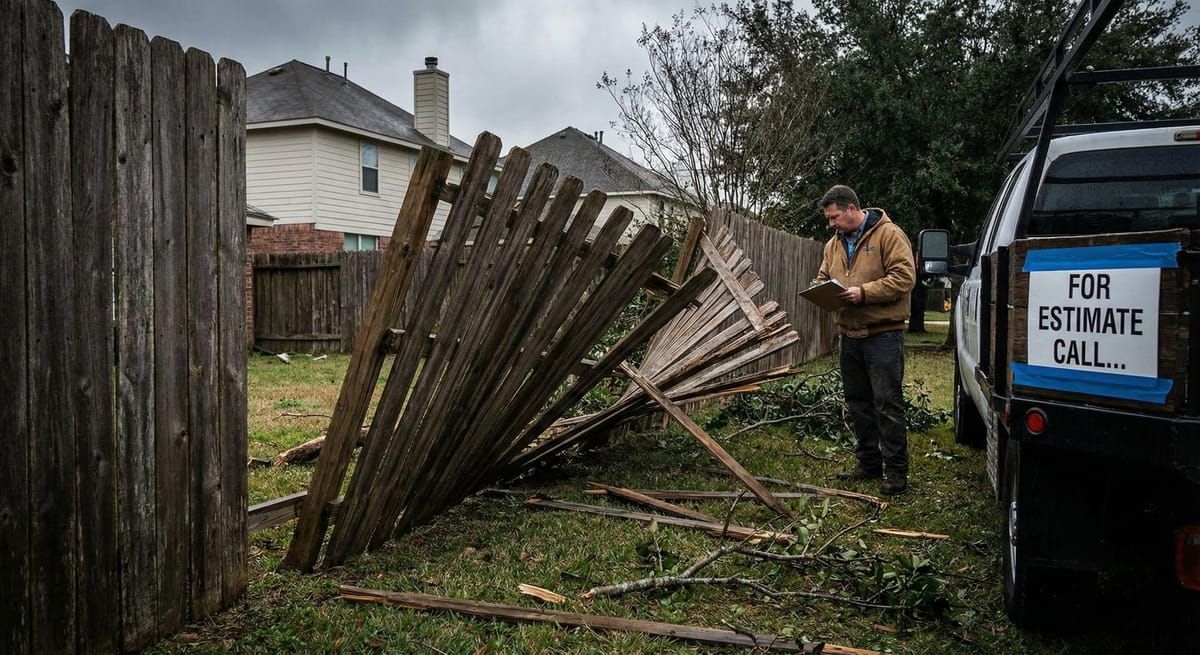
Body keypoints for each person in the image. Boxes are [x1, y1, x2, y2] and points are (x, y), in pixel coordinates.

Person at [814, 185, 915, 495]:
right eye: (829, 220)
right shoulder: (833, 245)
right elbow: (822, 277)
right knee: (858, 403)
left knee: (887, 404)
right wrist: (822, 290)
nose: (831, 225)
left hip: (882, 334)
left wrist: (864, 292)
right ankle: (869, 464)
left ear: (852, 209)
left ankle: (896, 473)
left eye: (834, 218)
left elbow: (905, 276)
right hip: (849, 335)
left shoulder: (889, 235)